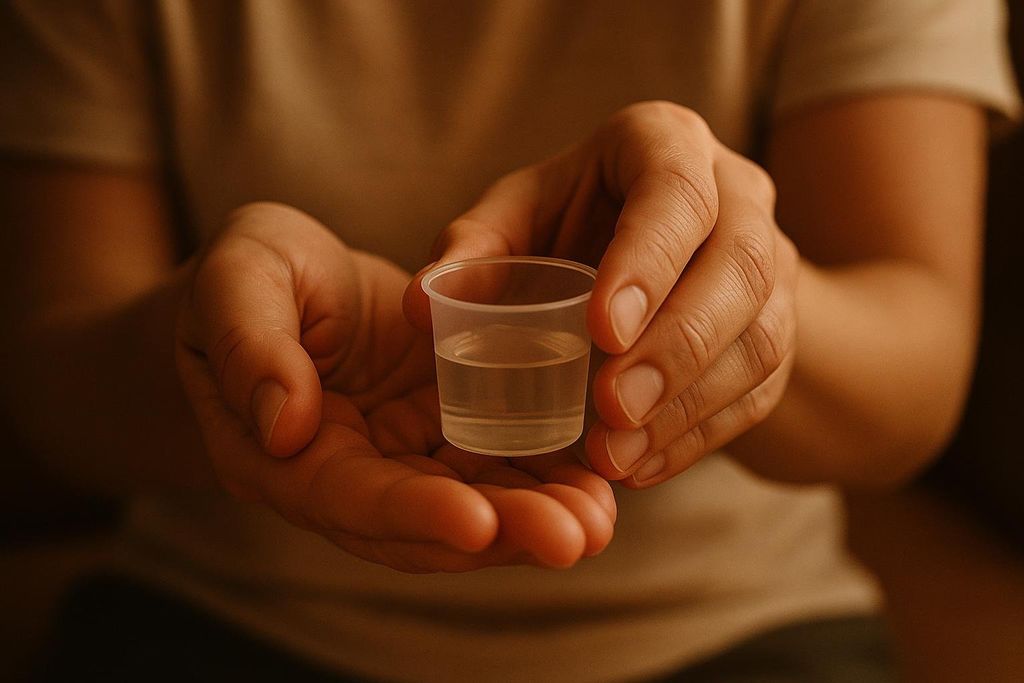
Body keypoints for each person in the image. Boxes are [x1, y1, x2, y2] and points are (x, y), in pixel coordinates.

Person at [0, 1, 1018, 681]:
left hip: (738, 628)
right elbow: (52, 382)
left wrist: (749, 299)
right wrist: (218, 341)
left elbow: (913, 377)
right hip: (219, 615)